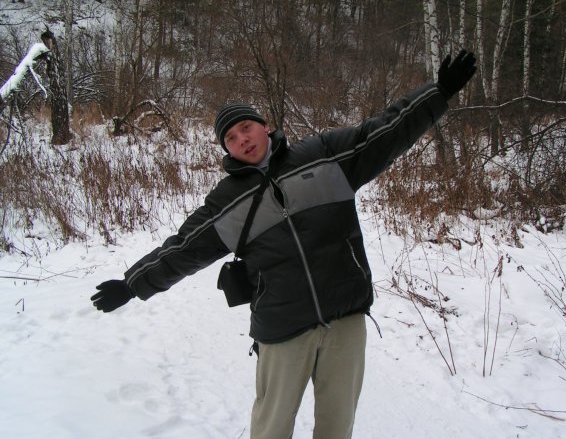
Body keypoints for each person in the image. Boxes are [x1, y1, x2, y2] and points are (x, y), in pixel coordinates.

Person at [91, 50, 477, 439]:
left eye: (245, 128)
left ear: (265, 126)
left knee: (337, 427)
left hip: (345, 317)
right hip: (281, 328)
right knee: (271, 428)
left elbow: (383, 132)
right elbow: (182, 248)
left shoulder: (324, 156)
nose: (242, 139)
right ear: (227, 150)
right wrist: (132, 284)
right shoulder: (226, 202)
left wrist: (438, 93)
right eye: (230, 138)